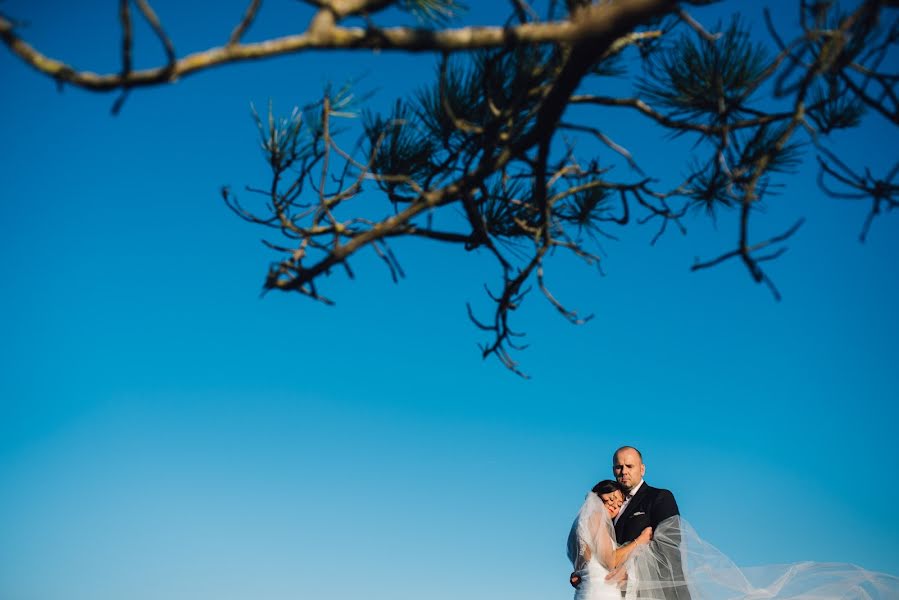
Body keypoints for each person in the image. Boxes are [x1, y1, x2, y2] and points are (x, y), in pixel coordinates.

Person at [570, 446, 689, 599]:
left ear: (642, 469)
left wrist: (631, 572)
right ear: (614, 470)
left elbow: (669, 544)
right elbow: (596, 546)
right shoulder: (606, 510)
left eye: (629, 466)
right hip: (612, 591)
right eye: (619, 467)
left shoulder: (660, 497)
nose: (624, 471)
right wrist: (585, 572)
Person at [568, 479, 654, 600]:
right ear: (597, 495)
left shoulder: (582, 521)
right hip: (602, 592)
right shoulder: (595, 517)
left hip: (588, 591)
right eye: (612, 499)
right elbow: (611, 561)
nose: (614, 505)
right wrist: (640, 541)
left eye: (619, 504)